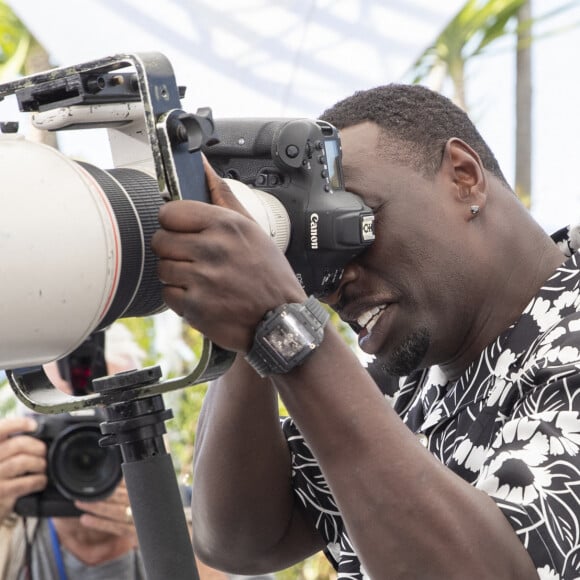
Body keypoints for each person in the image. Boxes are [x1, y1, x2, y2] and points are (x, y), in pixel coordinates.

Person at [151, 83, 580, 580]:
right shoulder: (405, 381)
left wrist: (284, 325)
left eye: (355, 224)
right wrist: (254, 318)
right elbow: (241, 539)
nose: (332, 284)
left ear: (464, 177)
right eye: (322, 247)